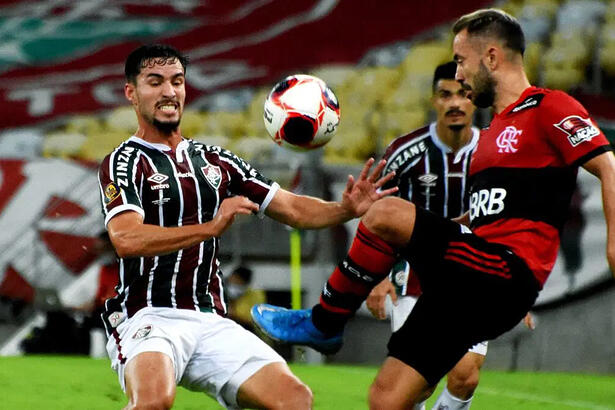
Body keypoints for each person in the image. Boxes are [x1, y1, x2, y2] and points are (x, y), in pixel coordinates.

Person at [251, 9, 615, 409]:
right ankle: (328, 321)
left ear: (491, 57)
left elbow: (607, 164)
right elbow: (478, 218)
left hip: (506, 271)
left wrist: (614, 244)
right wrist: (405, 242)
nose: (458, 75)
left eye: (461, 61)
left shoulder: (549, 106)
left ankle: (324, 321)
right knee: (386, 399)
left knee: (385, 213)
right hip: (467, 280)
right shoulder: (492, 133)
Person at [98, 44, 396, 410]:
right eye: (154, 82)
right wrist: (210, 227)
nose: (169, 92)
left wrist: (345, 208)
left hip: (208, 318)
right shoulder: (123, 162)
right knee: (153, 402)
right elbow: (126, 238)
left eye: (176, 81)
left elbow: (291, 208)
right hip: (146, 316)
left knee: (294, 400)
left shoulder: (217, 161)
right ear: (131, 93)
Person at [365, 61, 485, 410]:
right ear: (434, 100)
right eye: (445, 94)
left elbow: (508, 218)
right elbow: (376, 215)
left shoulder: (495, 152)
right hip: (415, 276)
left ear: (474, 99)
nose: (455, 103)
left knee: (466, 375)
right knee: (417, 385)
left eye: (463, 94)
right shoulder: (406, 152)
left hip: (475, 274)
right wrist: (379, 276)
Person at [225, 265, 265, 332]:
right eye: (233, 282)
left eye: (238, 284)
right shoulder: (219, 290)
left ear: (245, 284)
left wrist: (233, 316)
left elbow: (253, 323)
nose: (234, 287)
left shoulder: (255, 295)